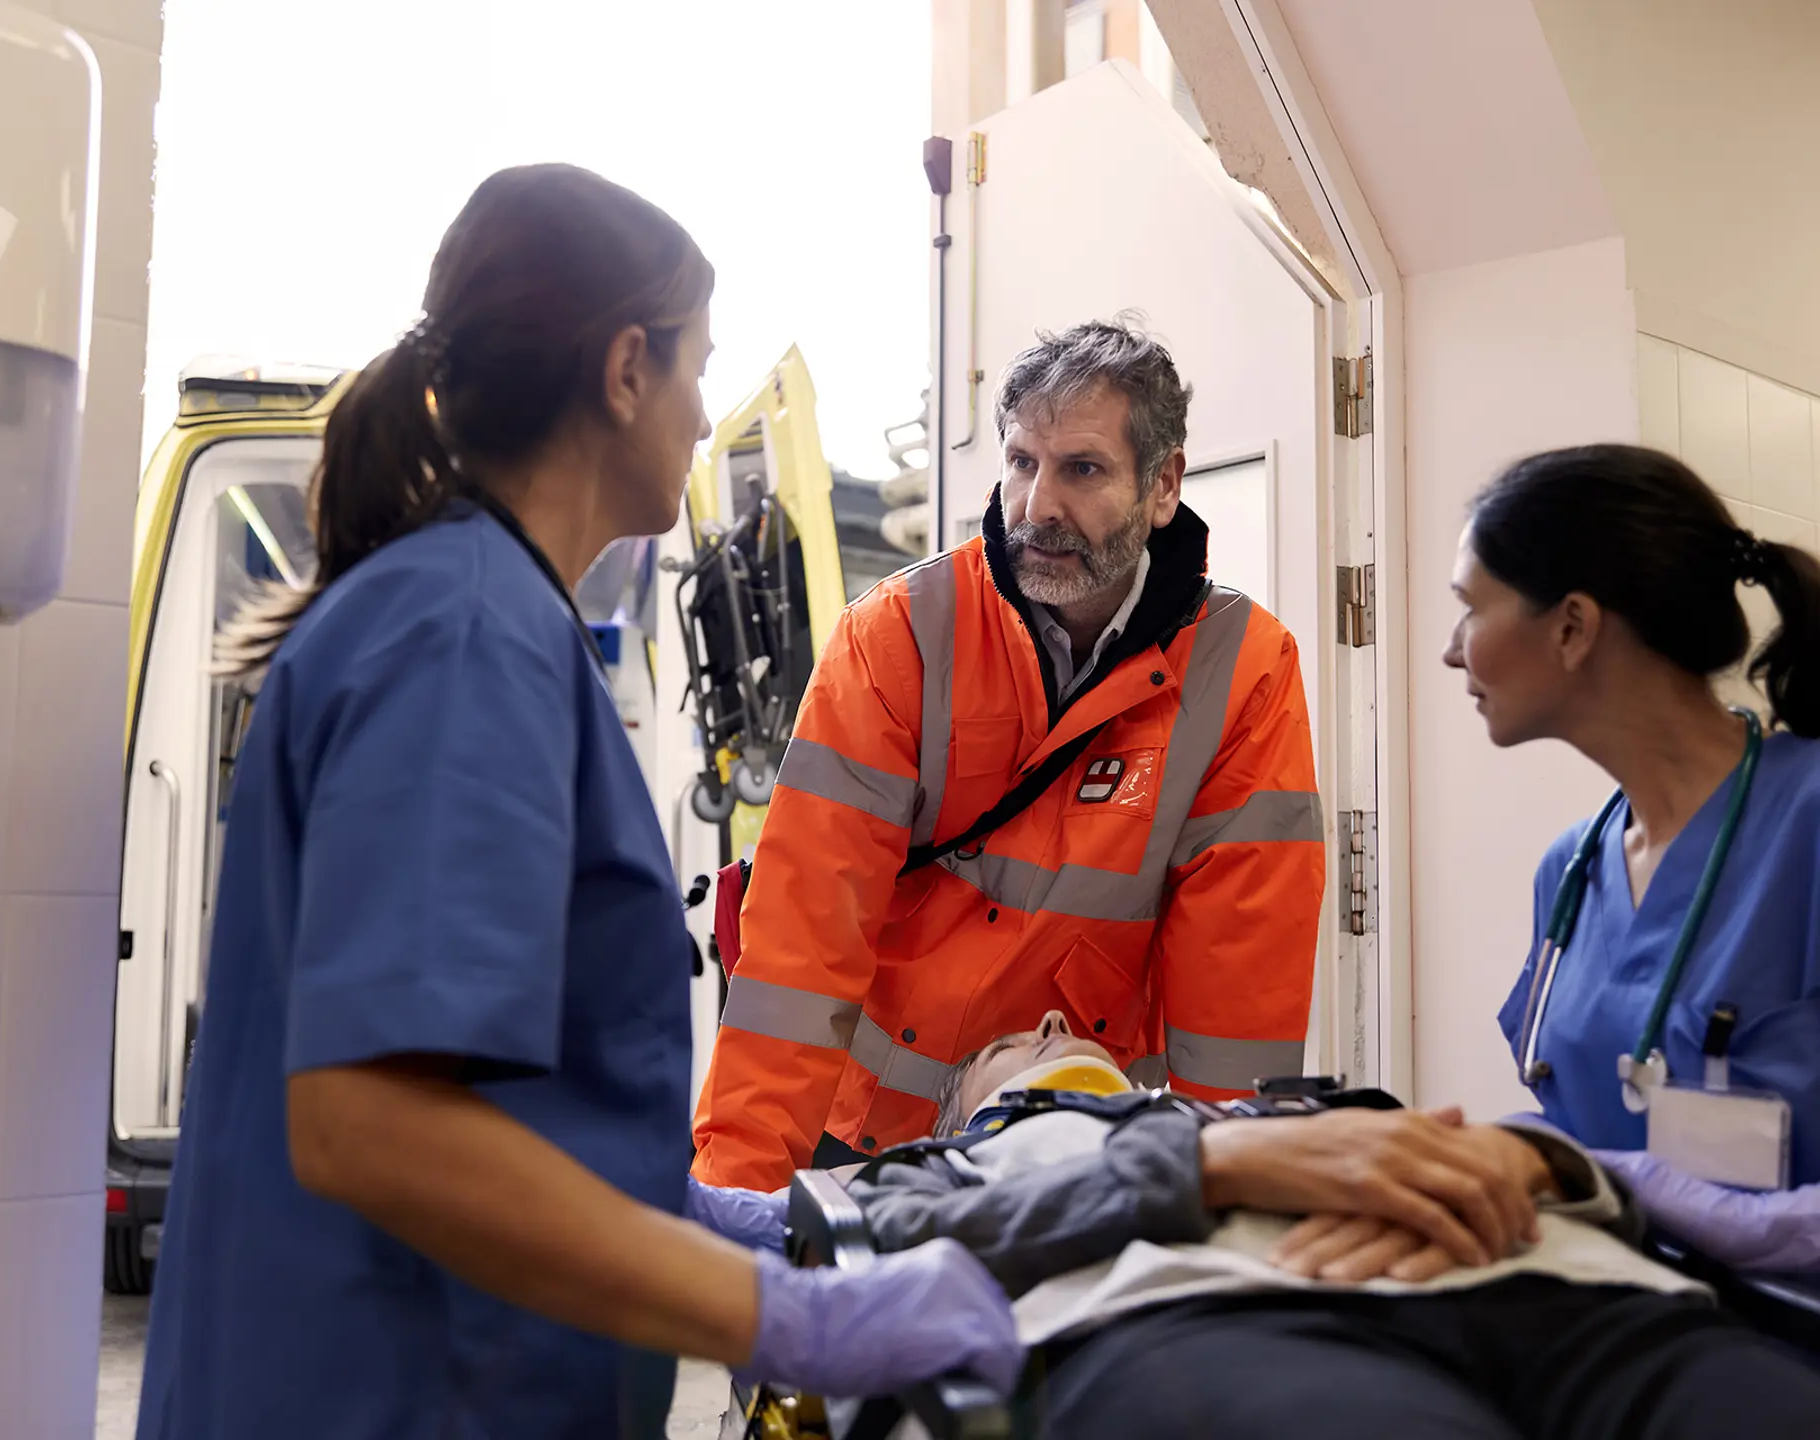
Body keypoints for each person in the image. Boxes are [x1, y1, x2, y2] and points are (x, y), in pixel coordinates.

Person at [135, 165, 1022, 1440]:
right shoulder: (463, 633)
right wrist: (786, 1320)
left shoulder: (474, 614)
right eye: (696, 367)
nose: (704, 409)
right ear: (623, 371)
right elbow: (371, 1125)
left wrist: (713, 1215)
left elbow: (505, 1104)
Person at [693, 319, 1325, 1188]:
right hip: (865, 1137)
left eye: (1083, 469)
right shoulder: (901, 636)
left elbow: (1241, 993)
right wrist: (741, 1203)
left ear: (1164, 484)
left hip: (1076, 1146)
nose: (1038, 507)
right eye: (1023, 461)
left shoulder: (1244, 673)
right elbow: (801, 949)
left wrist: (1231, 1206)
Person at [833, 1010, 1820, 1439]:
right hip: (1208, 1322)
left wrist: (1542, 1162)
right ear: (965, 1113)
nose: (1052, 1028)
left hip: (1561, 1284)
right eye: (1012, 1043)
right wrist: (1201, 1166)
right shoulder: (940, 1164)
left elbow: (1589, 1176)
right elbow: (882, 1255)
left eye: (1057, 1025)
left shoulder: (1308, 1105)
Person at [1443, 443, 1820, 1274]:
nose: (1451, 650)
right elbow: (1587, 1122)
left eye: (1470, 608)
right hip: (1611, 1321)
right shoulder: (1570, 873)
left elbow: (1602, 1163)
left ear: (1573, 626)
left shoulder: (1808, 823)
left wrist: (1611, 1180)